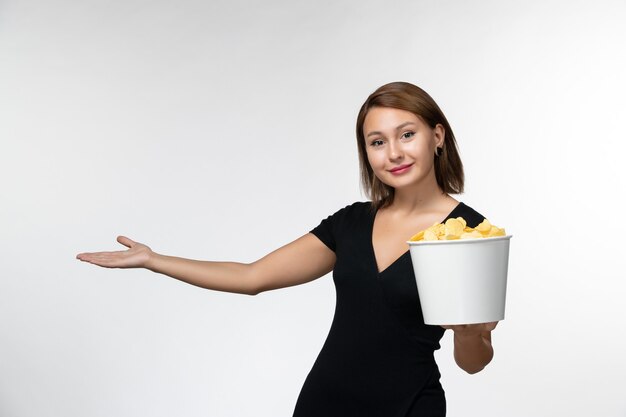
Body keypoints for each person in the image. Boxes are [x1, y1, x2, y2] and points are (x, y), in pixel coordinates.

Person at [76, 81, 498, 416]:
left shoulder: (472, 233)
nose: (394, 153)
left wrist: (469, 333)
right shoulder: (350, 223)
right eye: (377, 141)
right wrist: (154, 259)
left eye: (407, 134)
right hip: (326, 401)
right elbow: (252, 277)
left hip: (409, 405)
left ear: (436, 135)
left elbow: (474, 361)